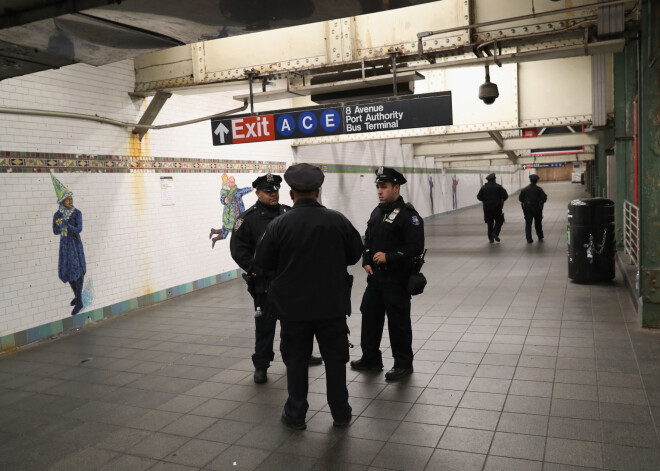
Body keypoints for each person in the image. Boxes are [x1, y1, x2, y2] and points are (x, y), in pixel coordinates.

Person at [254, 163, 363, 430]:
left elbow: (262, 263)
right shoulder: (338, 220)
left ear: (291, 193)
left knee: (296, 360)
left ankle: (296, 413)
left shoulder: (279, 225)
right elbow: (354, 254)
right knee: (335, 359)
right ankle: (340, 411)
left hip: (293, 310)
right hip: (332, 307)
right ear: (318, 191)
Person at [229, 173, 322, 384]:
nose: (273, 194)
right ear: (257, 192)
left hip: (291, 283)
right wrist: (258, 270)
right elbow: (239, 251)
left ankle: (301, 355)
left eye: (276, 191)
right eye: (268, 191)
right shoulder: (247, 219)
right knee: (265, 326)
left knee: (298, 324)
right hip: (265, 284)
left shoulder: (289, 213)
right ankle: (261, 364)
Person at [351, 167, 425, 381]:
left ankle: (403, 364)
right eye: (378, 187)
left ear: (396, 187)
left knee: (398, 322)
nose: (380, 191)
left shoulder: (409, 216)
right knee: (370, 317)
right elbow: (368, 238)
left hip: (396, 279)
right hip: (375, 279)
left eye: (384, 187)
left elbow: (415, 247)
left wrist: (389, 256)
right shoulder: (377, 211)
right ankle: (371, 358)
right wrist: (366, 260)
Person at [51, 174, 86, 316]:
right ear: (62, 201)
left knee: (78, 272)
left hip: (75, 246)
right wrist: (60, 226)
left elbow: (79, 229)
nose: (70, 201)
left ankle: (79, 300)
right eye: (67, 199)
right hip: (65, 246)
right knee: (68, 272)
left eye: (71, 199)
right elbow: (54, 231)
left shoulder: (77, 213)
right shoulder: (57, 215)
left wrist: (68, 225)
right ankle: (77, 297)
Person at [210, 174, 252, 247]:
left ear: (234, 183)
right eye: (230, 182)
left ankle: (214, 231)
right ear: (228, 183)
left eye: (233, 182)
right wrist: (224, 200)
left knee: (233, 230)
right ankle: (214, 237)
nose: (232, 184)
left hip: (239, 215)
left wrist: (251, 188)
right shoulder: (226, 192)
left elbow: (244, 190)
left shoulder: (237, 191)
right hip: (229, 216)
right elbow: (222, 199)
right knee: (226, 232)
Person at [476, 173, 508, 243]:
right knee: (499, 221)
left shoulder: (483, 188)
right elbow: (505, 195)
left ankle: (491, 238)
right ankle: (495, 233)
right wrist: (501, 201)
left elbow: (478, 197)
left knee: (490, 223)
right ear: (494, 179)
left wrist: (485, 200)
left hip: (487, 208)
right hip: (497, 207)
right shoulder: (498, 187)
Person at [519, 173, 548, 243]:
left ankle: (529, 239)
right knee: (538, 223)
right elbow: (544, 198)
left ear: (530, 180)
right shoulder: (539, 189)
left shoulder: (525, 189)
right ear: (536, 181)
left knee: (528, 224)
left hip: (527, 208)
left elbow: (520, 199)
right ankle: (540, 236)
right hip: (537, 208)